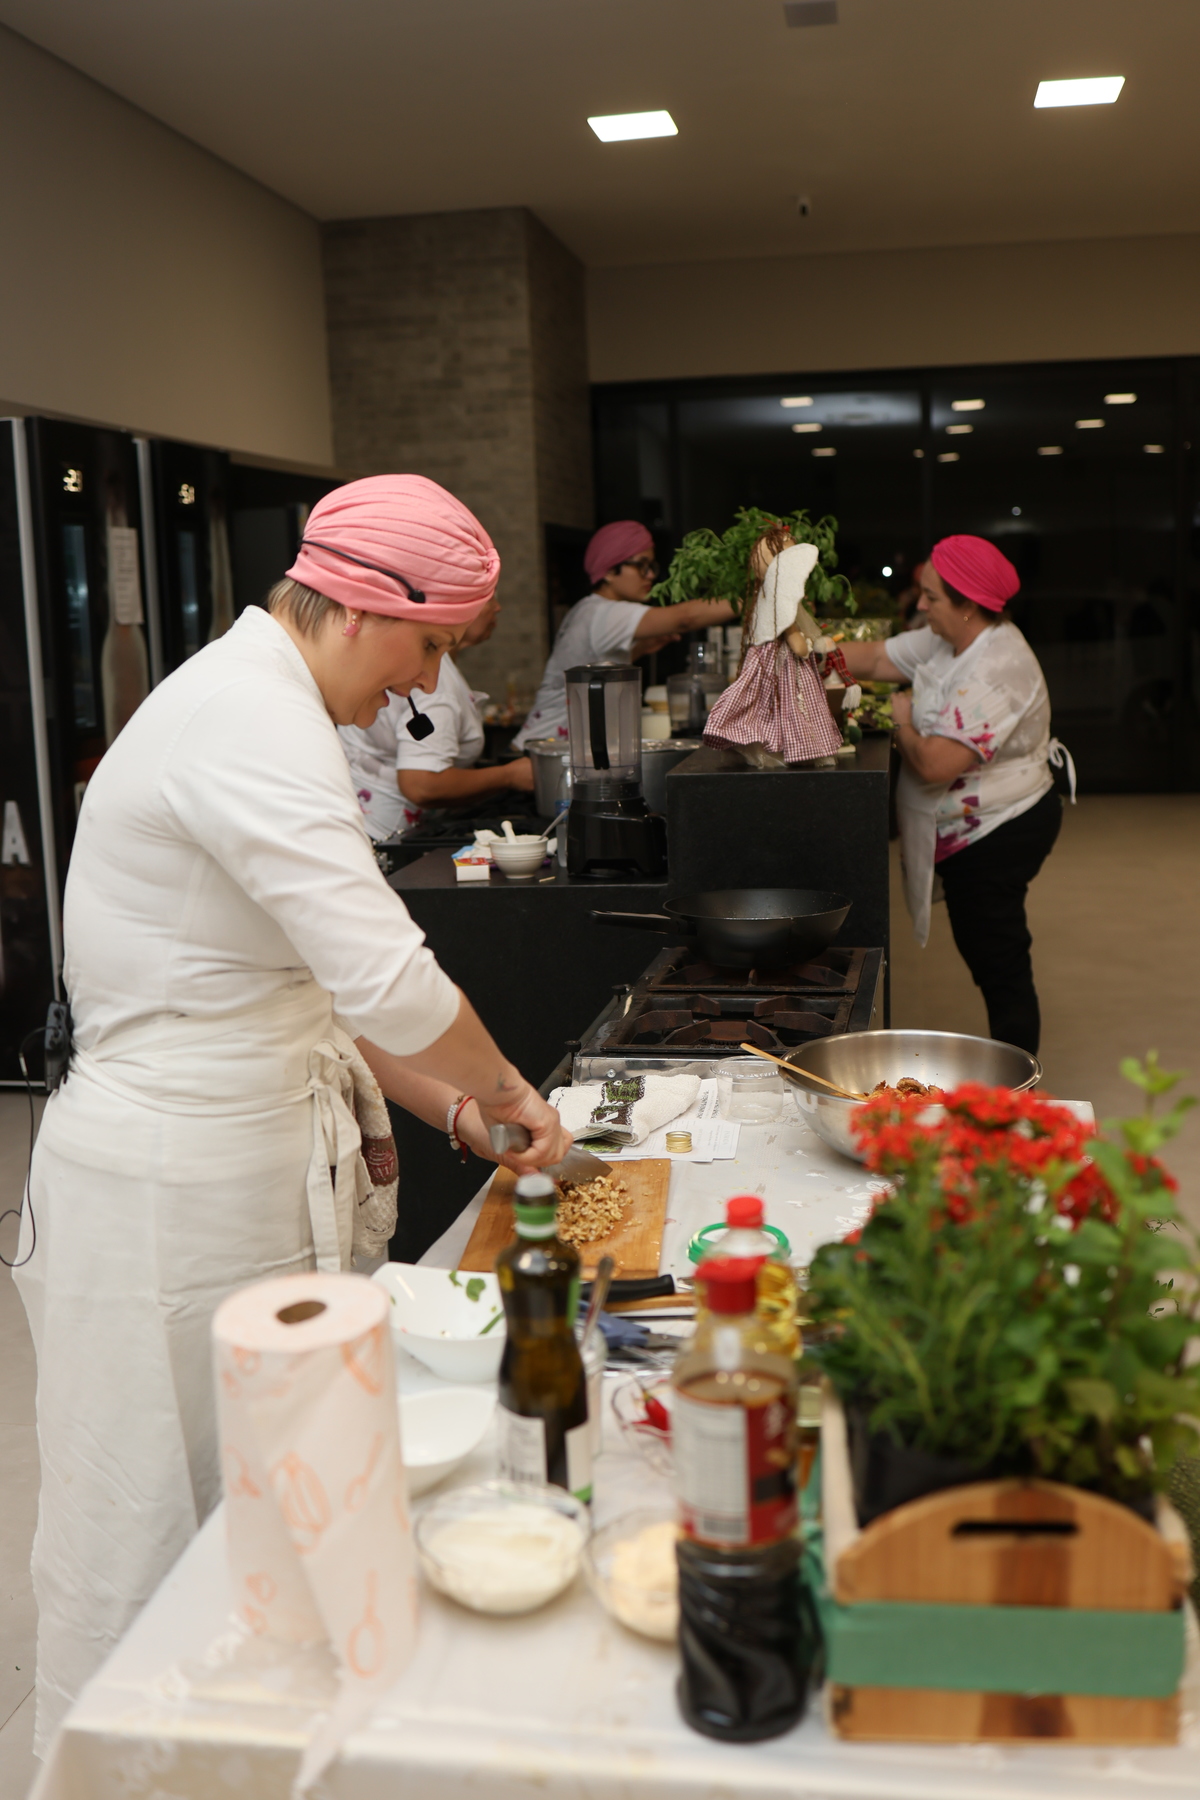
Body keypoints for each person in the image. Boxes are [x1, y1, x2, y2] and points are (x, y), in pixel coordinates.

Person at [13, 474, 570, 1754]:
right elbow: (386, 980)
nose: (424, 685)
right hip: (170, 1197)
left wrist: (456, 1113)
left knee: (268, 1518)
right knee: (160, 1536)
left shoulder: (274, 707)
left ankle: (263, 1761)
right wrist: (509, 1090)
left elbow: (313, 994)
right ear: (362, 606)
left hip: (236, 1163)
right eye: (429, 646)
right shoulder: (247, 718)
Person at [840, 535, 1071, 1054]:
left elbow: (935, 764)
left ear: (968, 605)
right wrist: (806, 653)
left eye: (932, 597)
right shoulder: (949, 639)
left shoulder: (999, 667)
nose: (921, 606)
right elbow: (875, 658)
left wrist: (900, 719)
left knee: (1000, 962)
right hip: (973, 827)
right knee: (989, 952)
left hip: (1000, 829)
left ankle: (1018, 1083)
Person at [512, 520, 736, 748]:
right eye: (641, 565)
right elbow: (685, 618)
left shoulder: (587, 609)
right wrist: (747, 599)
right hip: (542, 750)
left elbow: (595, 668)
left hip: (544, 746)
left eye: (652, 566)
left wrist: (638, 650)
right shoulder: (605, 612)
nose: (650, 575)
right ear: (610, 571)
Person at [338, 593, 533, 839]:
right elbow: (421, 784)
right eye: (488, 599)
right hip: (384, 831)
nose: (498, 608)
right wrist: (509, 776)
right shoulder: (437, 687)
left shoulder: (430, 671)